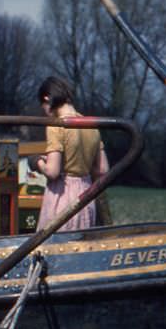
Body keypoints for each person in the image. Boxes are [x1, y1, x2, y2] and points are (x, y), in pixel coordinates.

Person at [32, 76, 109, 231]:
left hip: (61, 198)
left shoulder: (56, 125)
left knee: (53, 249)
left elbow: (52, 172)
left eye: (43, 106)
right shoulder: (91, 126)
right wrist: (81, 166)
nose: (45, 112)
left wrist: (37, 162)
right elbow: (103, 169)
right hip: (85, 196)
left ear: (47, 99)